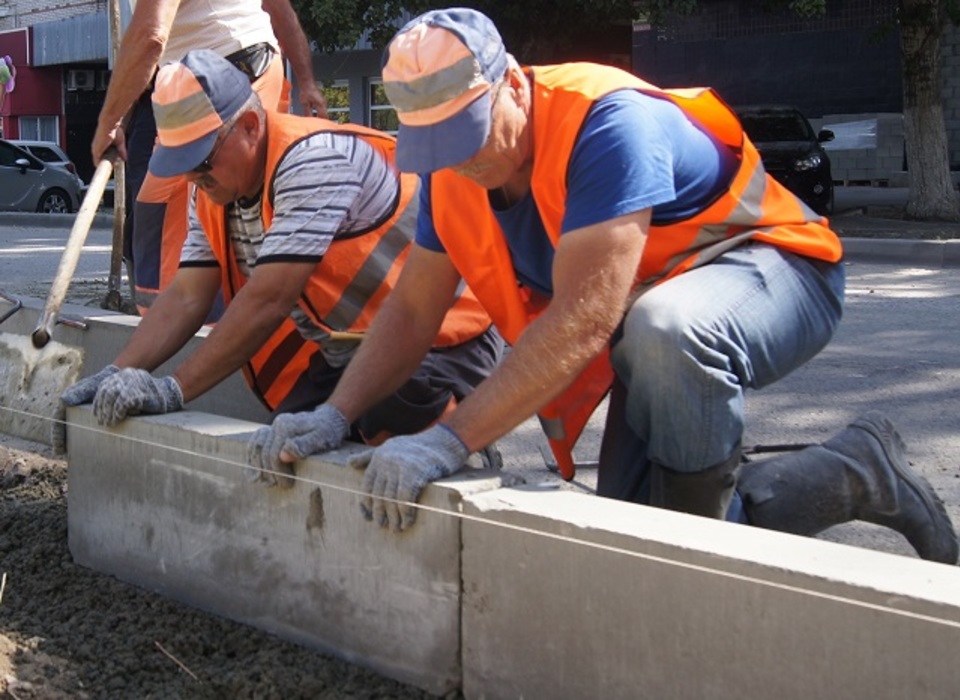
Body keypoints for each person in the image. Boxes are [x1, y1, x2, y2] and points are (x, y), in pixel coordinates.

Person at [244, 7, 960, 565]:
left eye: (470, 133)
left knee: (672, 348)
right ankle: (856, 470)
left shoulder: (605, 123)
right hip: (650, 325)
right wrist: (337, 414)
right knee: (627, 532)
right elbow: (414, 308)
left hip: (774, 271)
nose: (458, 163)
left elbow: (587, 321)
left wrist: (447, 440)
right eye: (437, 146)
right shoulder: (447, 171)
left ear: (514, 84)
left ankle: (703, 544)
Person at [62, 49, 502, 482]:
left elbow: (268, 300)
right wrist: (117, 372)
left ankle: (463, 449)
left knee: (389, 419)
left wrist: (171, 389)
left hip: (444, 339)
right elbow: (187, 295)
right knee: (284, 449)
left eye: (201, 162)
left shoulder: (313, 161)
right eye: (184, 168)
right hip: (356, 347)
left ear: (251, 126)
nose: (195, 179)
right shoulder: (212, 190)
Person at [93, 0, 328, 314]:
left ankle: (214, 329)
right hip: (185, 90)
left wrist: (108, 121)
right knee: (156, 208)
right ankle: (168, 327)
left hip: (240, 73)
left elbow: (150, 36)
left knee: (212, 210)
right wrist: (119, 115)